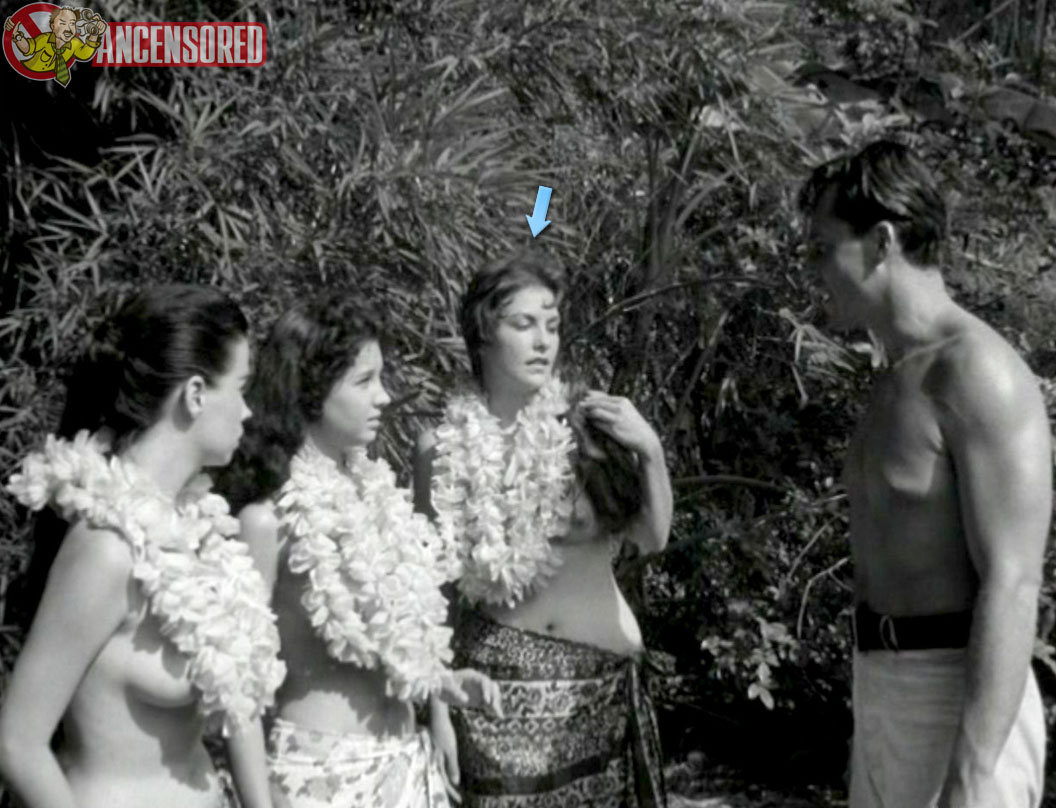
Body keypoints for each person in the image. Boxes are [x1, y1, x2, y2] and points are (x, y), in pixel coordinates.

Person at [799, 140, 1050, 808]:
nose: (812, 269)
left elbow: (1014, 581)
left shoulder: (977, 371)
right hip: (884, 690)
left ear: (882, 241)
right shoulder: (896, 374)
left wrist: (972, 773)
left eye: (823, 248)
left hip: (958, 704)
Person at [0, 285, 285, 808]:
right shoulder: (106, 549)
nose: (248, 412)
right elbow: (17, 743)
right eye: (241, 389)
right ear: (195, 394)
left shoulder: (197, 531)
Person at [217, 296, 501, 808]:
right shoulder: (266, 519)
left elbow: (390, 642)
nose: (384, 397)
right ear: (313, 388)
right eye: (364, 381)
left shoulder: (380, 498)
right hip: (320, 775)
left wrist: (442, 685)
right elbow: (237, 689)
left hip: (408, 766)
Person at [414, 250, 673, 807]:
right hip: (493, 707)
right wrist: (437, 707)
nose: (543, 342)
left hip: (596, 695)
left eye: (552, 326)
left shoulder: (588, 428)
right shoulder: (440, 448)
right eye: (524, 324)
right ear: (484, 332)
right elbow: (428, 591)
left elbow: (652, 538)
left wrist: (650, 450)